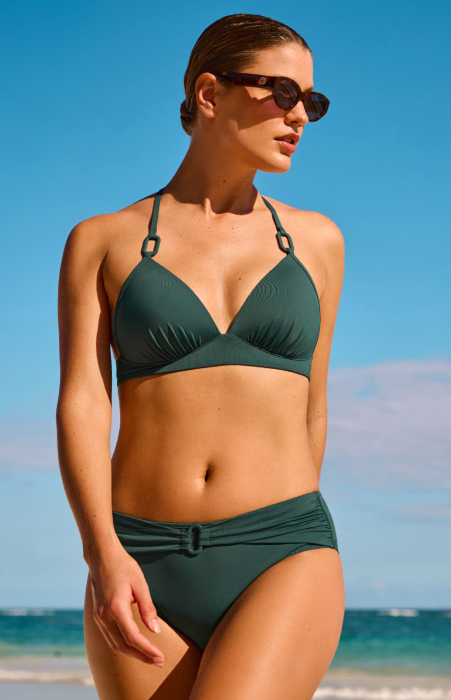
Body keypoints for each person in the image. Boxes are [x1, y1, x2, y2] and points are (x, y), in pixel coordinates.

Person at [55, 13, 346, 699]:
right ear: (210, 94)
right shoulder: (102, 241)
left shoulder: (316, 244)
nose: (298, 114)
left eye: (312, 100)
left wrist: (285, 523)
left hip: (280, 548)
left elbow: (314, 405)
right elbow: (83, 403)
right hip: (138, 552)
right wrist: (102, 552)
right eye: (280, 91)